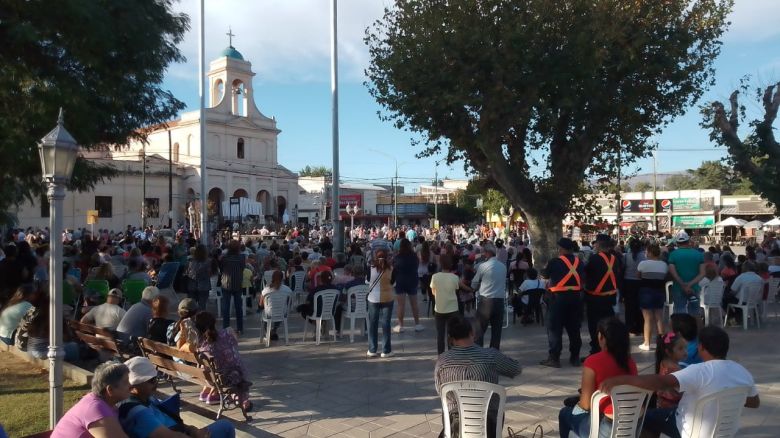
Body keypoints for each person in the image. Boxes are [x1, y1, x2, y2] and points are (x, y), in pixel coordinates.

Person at [600, 326, 760, 438]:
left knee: (646, 419)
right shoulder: (742, 372)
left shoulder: (699, 371)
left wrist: (622, 379)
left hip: (692, 432)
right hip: (725, 432)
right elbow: (754, 403)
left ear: (701, 348)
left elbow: (661, 382)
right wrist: (725, 397)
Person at [435, 315, 521, 438]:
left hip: (455, 425)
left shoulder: (442, 362)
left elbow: (440, 391)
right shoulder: (491, 356)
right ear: (472, 333)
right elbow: (516, 369)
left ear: (450, 338)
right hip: (489, 425)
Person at [558, 317, 638, 438]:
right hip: (629, 427)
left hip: (603, 429)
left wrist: (578, 404)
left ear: (601, 337)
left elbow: (585, 405)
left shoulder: (592, 361)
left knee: (564, 413)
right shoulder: (630, 362)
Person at [118, 356, 236, 437]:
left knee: (224, 425)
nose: (156, 384)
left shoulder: (145, 398)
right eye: (151, 381)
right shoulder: (137, 411)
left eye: (156, 378)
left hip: (181, 431)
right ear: (134, 385)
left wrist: (191, 429)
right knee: (226, 426)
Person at [52, 362, 130, 438]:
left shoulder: (106, 403)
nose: (130, 385)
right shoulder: (96, 408)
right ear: (110, 390)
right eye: (126, 382)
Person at [540, 238, 584, 368]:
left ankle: (554, 358)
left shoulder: (555, 262)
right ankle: (575, 357)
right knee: (574, 329)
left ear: (561, 249)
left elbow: (545, 275)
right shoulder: (579, 262)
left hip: (557, 299)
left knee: (555, 329)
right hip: (575, 298)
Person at [194, 312, 252, 411]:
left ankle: (209, 393)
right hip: (230, 377)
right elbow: (235, 342)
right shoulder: (226, 333)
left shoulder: (200, 344)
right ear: (214, 323)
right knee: (236, 372)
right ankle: (241, 399)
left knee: (218, 369)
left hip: (210, 378)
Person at [584, 234, 622, 357]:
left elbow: (587, 273)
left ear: (598, 245)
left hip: (595, 297)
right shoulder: (615, 258)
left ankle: (596, 350)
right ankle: (609, 349)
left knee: (595, 325)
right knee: (608, 325)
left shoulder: (595, 259)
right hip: (610, 296)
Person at [471, 242, 507, 350]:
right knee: (497, 332)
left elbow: (474, 284)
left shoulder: (483, 266)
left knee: (479, 330)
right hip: (499, 300)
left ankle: (478, 353)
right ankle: (494, 355)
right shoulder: (503, 266)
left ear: (486, 253)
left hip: (486, 301)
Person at [637, 244, 668, 351]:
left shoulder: (643, 264)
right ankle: (662, 343)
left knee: (647, 318)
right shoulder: (664, 265)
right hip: (659, 291)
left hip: (646, 291)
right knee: (659, 317)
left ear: (650, 252)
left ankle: (647, 343)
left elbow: (638, 276)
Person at [667, 231, 705, 315]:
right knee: (695, 313)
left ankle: (680, 328)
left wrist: (683, 284)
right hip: (694, 288)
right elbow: (702, 273)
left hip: (678, 288)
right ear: (688, 241)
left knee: (679, 312)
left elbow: (673, 272)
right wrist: (689, 285)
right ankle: (695, 328)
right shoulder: (699, 254)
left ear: (677, 243)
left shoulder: (673, 254)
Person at [366, 248, 395, 358]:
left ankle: (372, 349)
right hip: (387, 298)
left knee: (373, 323)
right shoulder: (391, 269)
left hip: (373, 298)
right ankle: (386, 351)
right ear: (387, 256)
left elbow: (367, 281)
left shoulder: (370, 269)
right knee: (386, 324)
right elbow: (394, 283)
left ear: (375, 257)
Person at [430, 256, 460, 354]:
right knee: (452, 334)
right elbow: (456, 289)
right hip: (452, 309)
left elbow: (433, 292)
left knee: (440, 334)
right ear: (450, 265)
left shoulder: (435, 277)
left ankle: (441, 356)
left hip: (439, 308)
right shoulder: (455, 277)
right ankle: (452, 355)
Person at [392, 238, 422, 333]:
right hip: (412, 280)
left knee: (401, 305)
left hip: (400, 281)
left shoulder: (397, 257)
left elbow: (394, 269)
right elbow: (417, 266)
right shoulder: (414, 257)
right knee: (414, 304)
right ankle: (417, 324)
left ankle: (401, 326)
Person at [654, 332, 687, 409]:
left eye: (685, 348)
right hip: (672, 407)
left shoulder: (663, 362)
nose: (685, 352)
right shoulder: (675, 369)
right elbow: (682, 391)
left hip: (661, 404)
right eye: (680, 349)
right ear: (668, 352)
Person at [220, 240, 246, 335]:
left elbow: (221, 269)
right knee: (238, 307)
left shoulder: (224, 258)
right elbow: (243, 268)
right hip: (237, 283)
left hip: (226, 283)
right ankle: (240, 328)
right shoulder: (242, 258)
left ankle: (225, 328)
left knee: (226, 307)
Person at [259, 270, 292, 341]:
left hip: (269, 314)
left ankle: (268, 332)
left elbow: (261, 305)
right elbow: (289, 302)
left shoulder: (266, 290)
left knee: (265, 313)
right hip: (282, 314)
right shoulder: (288, 290)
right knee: (280, 310)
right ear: (282, 278)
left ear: (272, 278)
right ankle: (274, 330)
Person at [622, 238, 646, 335]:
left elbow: (623, 268)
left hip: (628, 282)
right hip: (640, 282)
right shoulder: (644, 256)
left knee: (629, 306)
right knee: (639, 305)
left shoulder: (626, 256)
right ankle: (640, 326)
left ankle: (629, 326)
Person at [186, 244, 212, 312]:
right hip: (204, 286)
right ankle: (200, 320)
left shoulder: (191, 261)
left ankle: (192, 320)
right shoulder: (208, 262)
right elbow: (210, 273)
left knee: (192, 307)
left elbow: (187, 273)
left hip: (192, 285)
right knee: (202, 306)